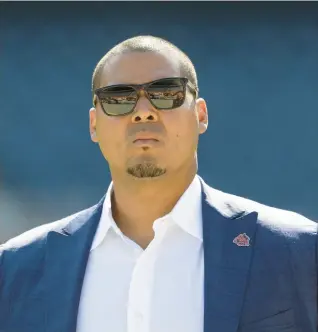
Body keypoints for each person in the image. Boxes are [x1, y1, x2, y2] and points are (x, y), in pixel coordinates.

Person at [0, 35, 317, 332]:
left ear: (201, 114)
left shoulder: (297, 251)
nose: (142, 112)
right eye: (119, 98)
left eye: (166, 93)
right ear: (94, 124)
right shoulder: (16, 268)